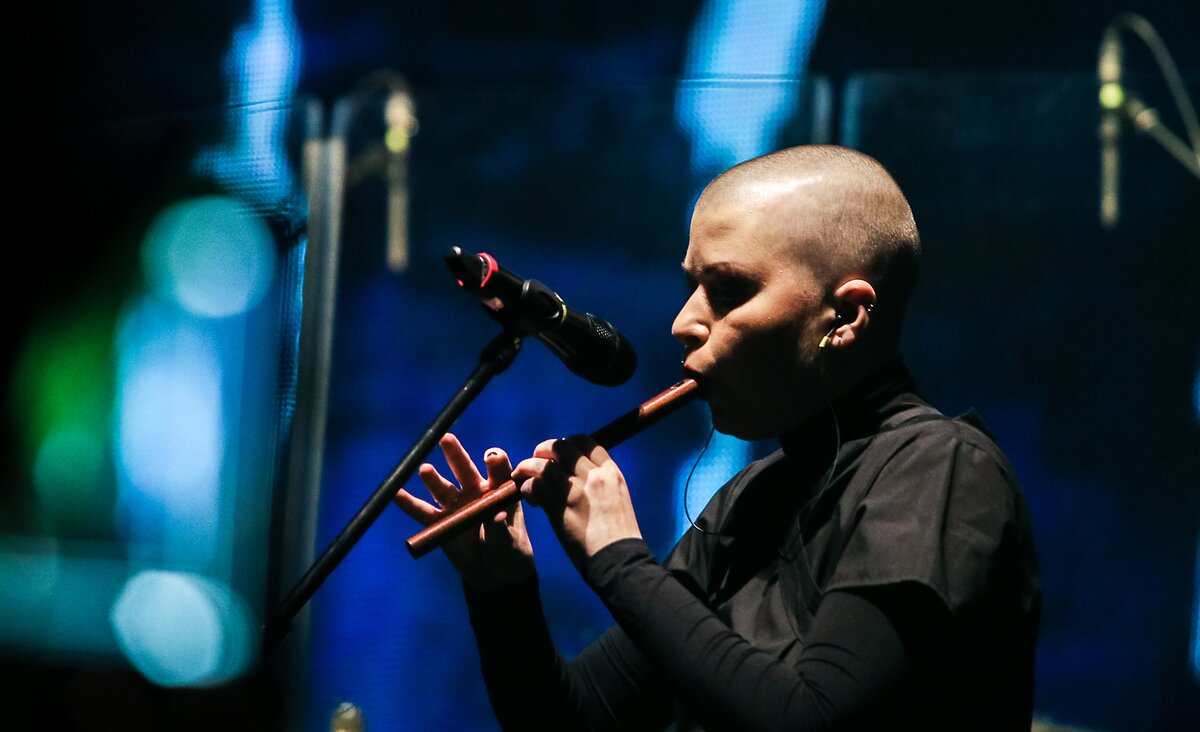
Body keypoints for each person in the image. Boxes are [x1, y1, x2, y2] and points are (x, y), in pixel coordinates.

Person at [395, 144, 1041, 731]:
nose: (684, 322)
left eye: (729, 291)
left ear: (844, 316)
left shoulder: (943, 469)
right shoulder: (750, 501)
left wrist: (619, 557)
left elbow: (811, 720)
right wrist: (501, 593)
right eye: (691, 288)